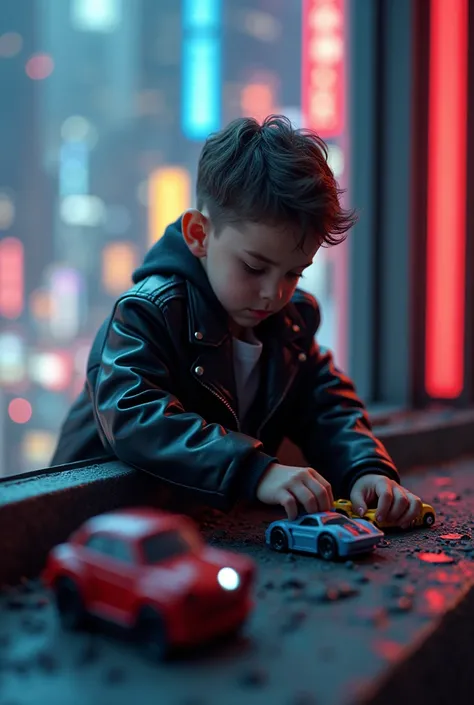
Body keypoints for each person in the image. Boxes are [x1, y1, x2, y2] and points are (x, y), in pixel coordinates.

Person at [51, 114, 422, 527]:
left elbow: (328, 405)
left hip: (190, 530)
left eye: (293, 273)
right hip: (88, 528)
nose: (274, 293)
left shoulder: (291, 325)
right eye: (253, 267)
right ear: (198, 234)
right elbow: (134, 417)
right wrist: (254, 470)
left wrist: (367, 469)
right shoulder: (148, 312)